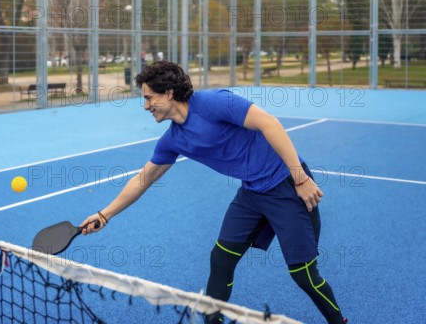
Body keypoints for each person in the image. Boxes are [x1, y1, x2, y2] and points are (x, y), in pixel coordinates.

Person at [80, 61, 346, 324]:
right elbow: (143, 179)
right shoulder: (173, 140)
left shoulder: (215, 103)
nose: (146, 106)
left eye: (149, 98)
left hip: (286, 184)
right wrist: (105, 215)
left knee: (303, 274)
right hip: (252, 193)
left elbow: (270, 124)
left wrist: (300, 178)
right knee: (221, 259)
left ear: (169, 92)